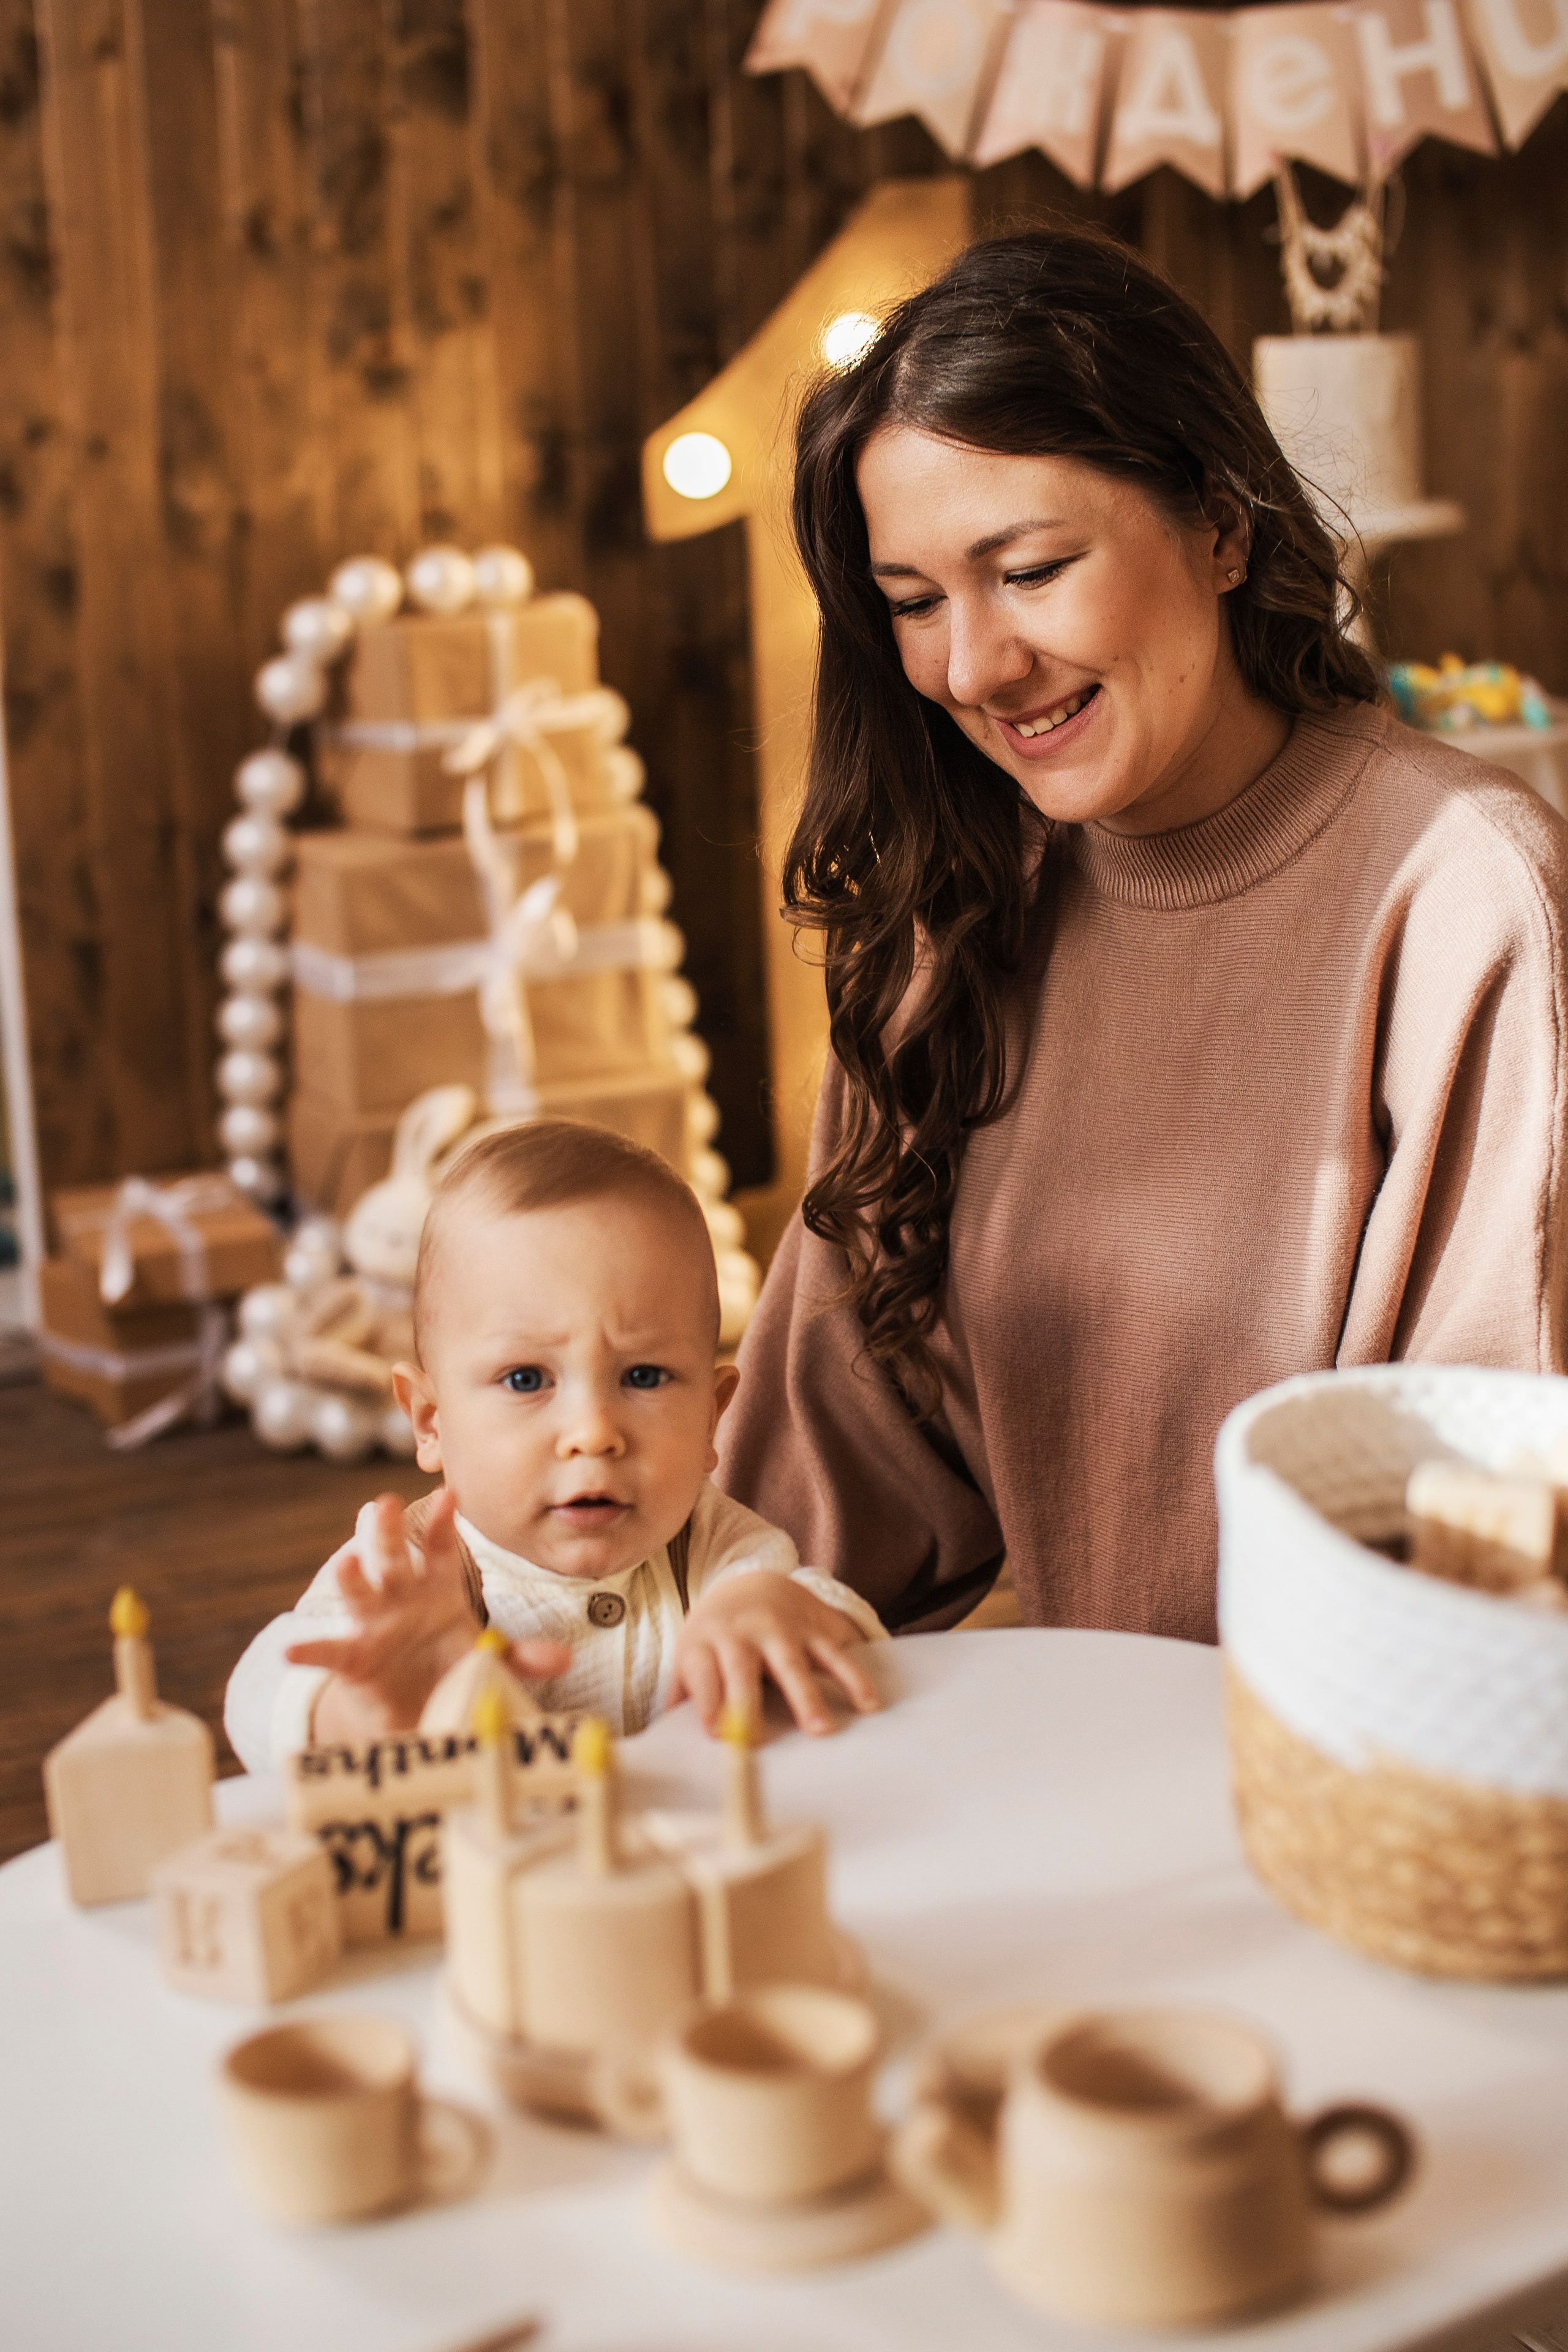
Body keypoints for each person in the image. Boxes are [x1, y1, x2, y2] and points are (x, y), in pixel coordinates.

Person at [717, 228, 1568, 1645]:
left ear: (1221, 527)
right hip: (1087, 1777)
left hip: (1373, 1797)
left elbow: (1494, 1521)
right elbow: (822, 1492)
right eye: (914, 602)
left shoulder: (1468, 898)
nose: (973, 665)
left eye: (1032, 568)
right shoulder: (955, 911)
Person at [225, 1121, 884, 1772]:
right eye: (526, 1379)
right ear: (430, 1421)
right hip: (484, 1868)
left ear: (711, 1418)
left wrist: (783, 1612)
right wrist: (354, 1710)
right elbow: (259, 1690)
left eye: (643, 1376)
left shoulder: (718, 1551)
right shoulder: (411, 1571)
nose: (593, 1432)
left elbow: (850, 1632)